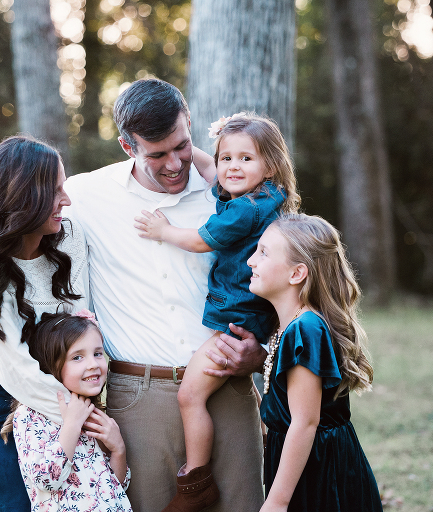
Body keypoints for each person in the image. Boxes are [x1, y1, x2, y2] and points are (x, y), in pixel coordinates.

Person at [0, 79, 267, 512]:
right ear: (127, 146)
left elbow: (285, 279)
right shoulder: (84, 198)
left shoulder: (232, 192)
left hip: (227, 386)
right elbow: (2, 243)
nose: (175, 164)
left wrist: (262, 351)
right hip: (137, 396)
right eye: (157, 154)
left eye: (182, 146)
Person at [133, 112, 300, 512]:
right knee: (202, 393)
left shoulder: (247, 210)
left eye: (246, 159)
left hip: (238, 319)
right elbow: (209, 165)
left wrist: (163, 231)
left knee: (190, 396)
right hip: (245, 316)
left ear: (271, 165)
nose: (231, 167)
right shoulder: (260, 195)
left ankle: (196, 481)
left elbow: (203, 240)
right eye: (228, 158)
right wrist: (207, 147)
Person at [0, 135, 90, 512]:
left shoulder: (70, 237)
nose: (68, 199)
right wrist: (86, 421)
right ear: (25, 195)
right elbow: (19, 372)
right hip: (9, 419)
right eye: (55, 190)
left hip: (74, 403)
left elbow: (81, 334)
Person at [247, 214, 383, 511]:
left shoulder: (305, 329)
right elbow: (286, 408)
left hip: (320, 474)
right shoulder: (290, 326)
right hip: (307, 465)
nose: (250, 261)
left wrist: (277, 503)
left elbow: (305, 423)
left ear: (297, 274)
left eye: (264, 252)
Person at [11, 310, 132, 511]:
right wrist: (72, 425)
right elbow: (46, 480)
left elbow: (117, 488)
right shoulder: (30, 416)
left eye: (97, 353)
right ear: (51, 364)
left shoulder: (93, 411)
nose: (93, 364)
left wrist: (118, 449)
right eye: (77, 357)